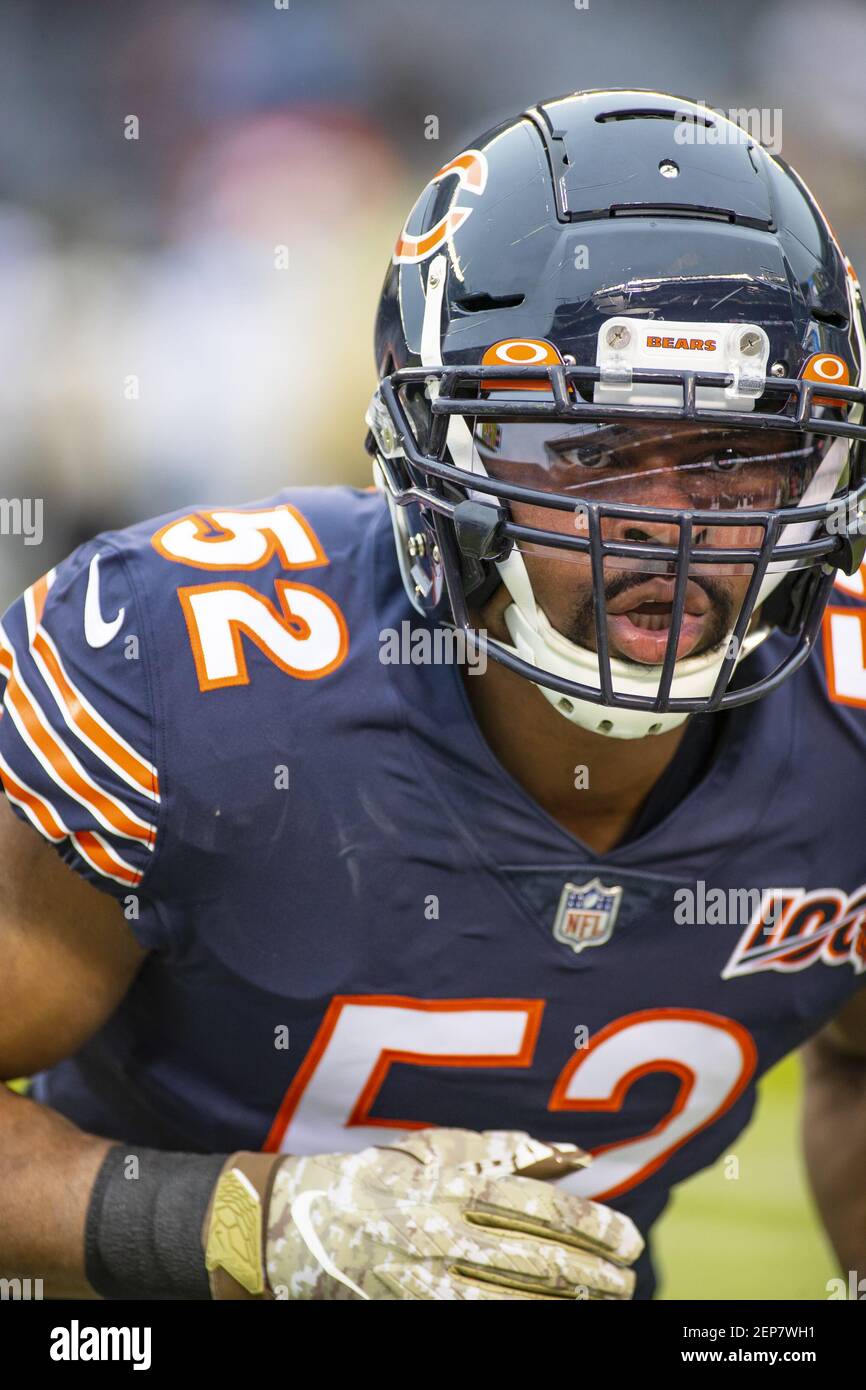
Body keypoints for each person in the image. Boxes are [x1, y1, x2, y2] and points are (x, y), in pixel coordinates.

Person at [1, 88, 865, 1302]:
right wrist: (243, 1223)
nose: (666, 529)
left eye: (735, 457)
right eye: (589, 449)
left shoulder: (848, 725)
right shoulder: (192, 669)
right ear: (433, 452)